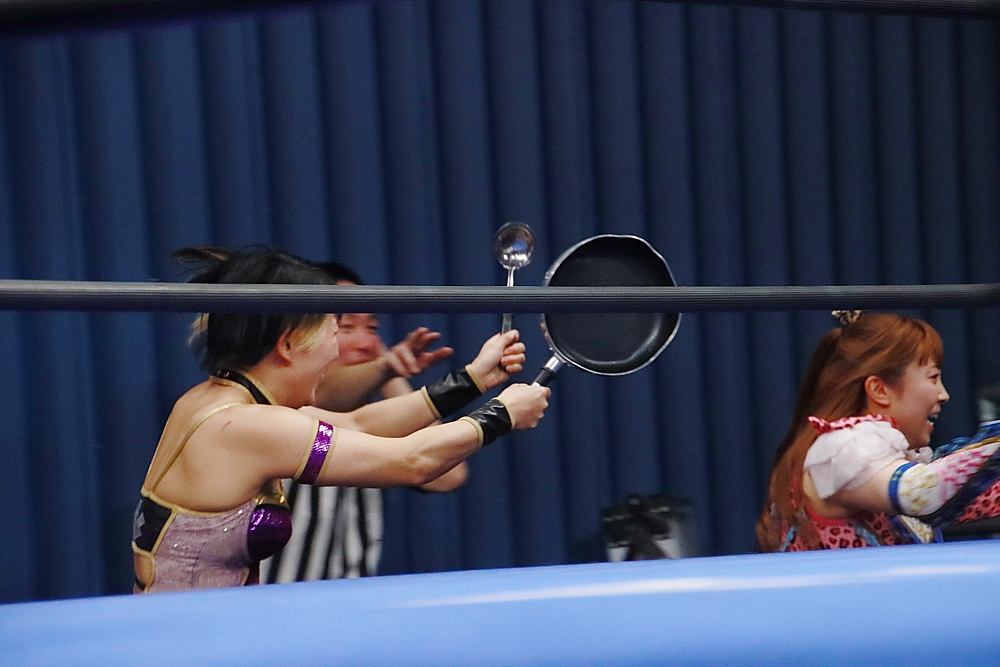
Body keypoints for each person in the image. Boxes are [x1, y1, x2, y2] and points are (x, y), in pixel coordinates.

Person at [131, 246, 550, 592]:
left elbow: (361, 424)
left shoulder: (219, 399)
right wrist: (502, 415)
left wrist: (472, 379)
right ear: (288, 345)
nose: (335, 353)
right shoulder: (244, 425)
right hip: (192, 641)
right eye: (335, 332)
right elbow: (411, 460)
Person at [261, 261, 460, 583]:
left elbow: (447, 475)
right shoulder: (274, 406)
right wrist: (386, 367)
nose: (366, 342)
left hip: (350, 596)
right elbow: (329, 396)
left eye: (372, 328)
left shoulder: (374, 412)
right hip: (273, 597)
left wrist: (391, 371)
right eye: (345, 326)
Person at [756, 311, 1000, 552]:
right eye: (933, 378)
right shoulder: (842, 447)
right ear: (879, 390)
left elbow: (975, 493)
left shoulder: (875, 460)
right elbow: (921, 493)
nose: (943, 395)